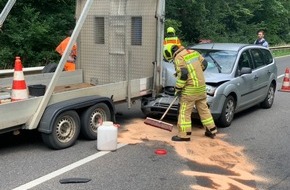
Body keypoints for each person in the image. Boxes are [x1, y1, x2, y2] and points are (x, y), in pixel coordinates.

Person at [163, 44, 217, 141]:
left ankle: (184, 135)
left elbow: (183, 75)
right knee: (204, 109)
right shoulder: (193, 52)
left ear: (169, 53)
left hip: (190, 90)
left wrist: (178, 89)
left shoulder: (179, 58)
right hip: (201, 87)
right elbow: (205, 64)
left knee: (184, 112)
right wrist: (196, 73)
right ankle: (211, 130)